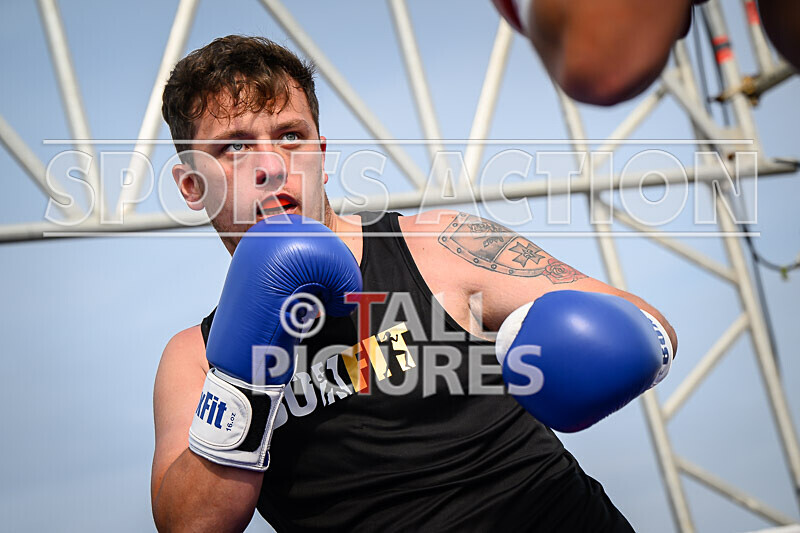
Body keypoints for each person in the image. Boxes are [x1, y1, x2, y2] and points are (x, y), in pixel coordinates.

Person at [151, 35, 677, 532]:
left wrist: (602, 349)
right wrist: (239, 379)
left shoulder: (438, 246)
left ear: (322, 156)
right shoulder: (193, 359)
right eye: (234, 148)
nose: (270, 165)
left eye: (290, 136)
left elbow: (651, 325)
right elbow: (191, 524)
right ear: (192, 185)